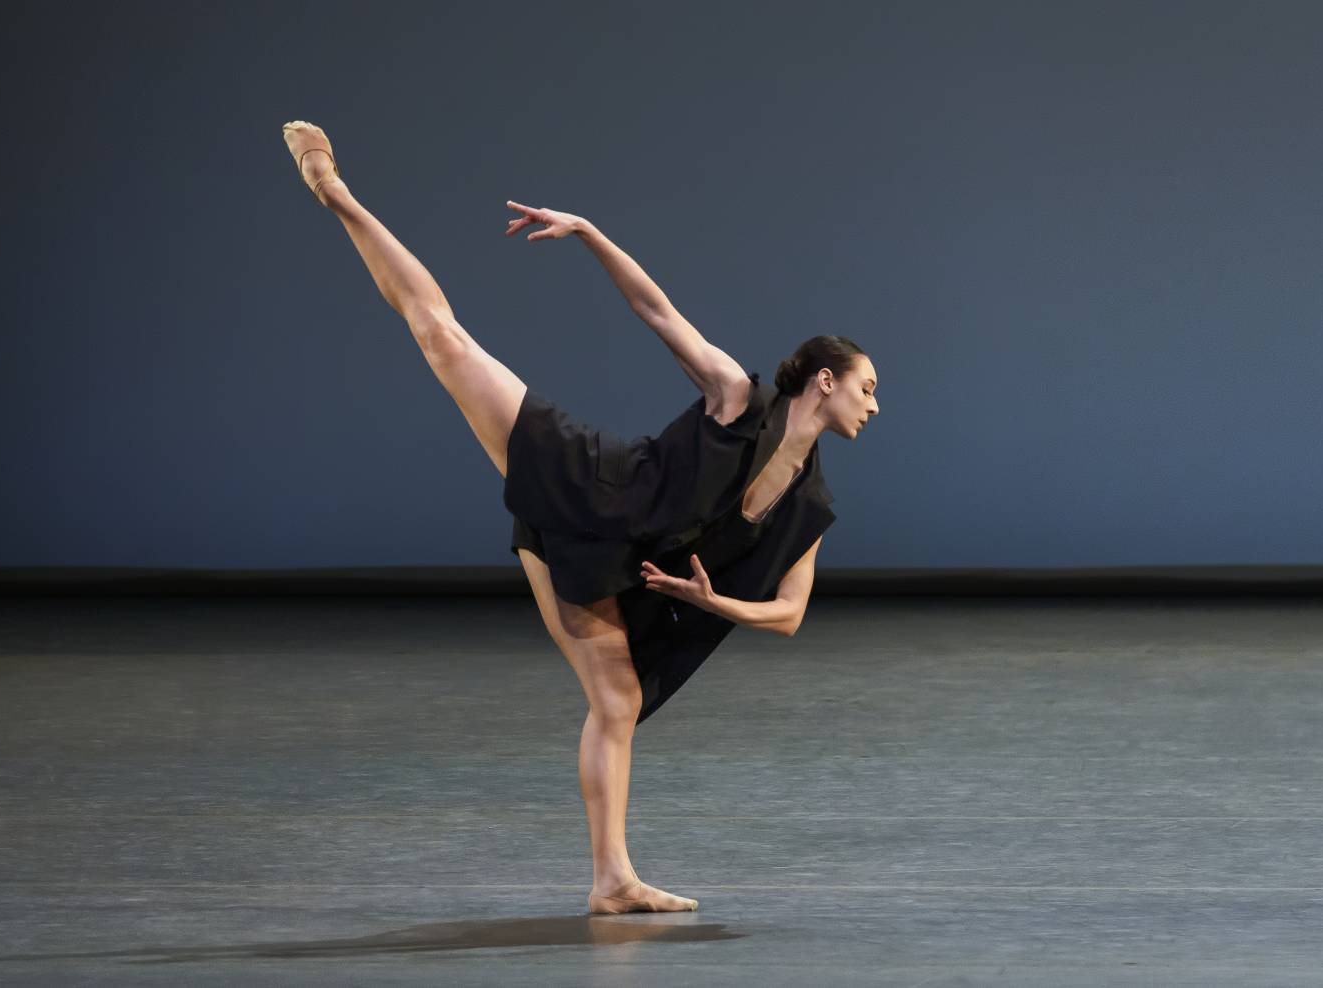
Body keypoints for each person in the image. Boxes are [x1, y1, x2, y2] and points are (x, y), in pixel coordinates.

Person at [280, 121, 881, 914]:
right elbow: (656, 310)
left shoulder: (812, 504)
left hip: (622, 573)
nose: (874, 406)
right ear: (828, 381)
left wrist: (710, 603)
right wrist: (590, 232)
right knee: (444, 340)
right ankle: (337, 194)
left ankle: (612, 881)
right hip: (592, 484)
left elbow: (790, 614)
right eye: (868, 388)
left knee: (618, 703)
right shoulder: (740, 398)